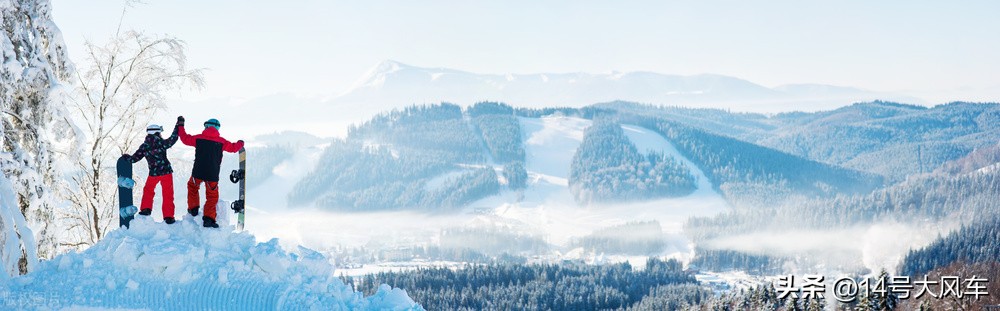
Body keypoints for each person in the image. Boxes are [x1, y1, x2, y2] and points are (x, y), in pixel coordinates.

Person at [177, 116, 244, 228]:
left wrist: (181, 125)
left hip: (198, 171)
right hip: (212, 174)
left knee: (192, 187)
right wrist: (241, 143)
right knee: (212, 197)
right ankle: (209, 219)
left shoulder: (198, 138)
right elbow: (233, 148)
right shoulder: (221, 142)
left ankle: (193, 209)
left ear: (206, 126)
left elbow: (184, 138)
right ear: (217, 129)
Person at [123, 123, 180, 224]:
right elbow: (173, 139)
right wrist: (178, 125)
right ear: (157, 133)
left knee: (148, 190)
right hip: (166, 171)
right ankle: (168, 217)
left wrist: (127, 157)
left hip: (153, 173)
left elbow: (134, 159)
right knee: (168, 194)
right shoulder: (162, 143)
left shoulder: (145, 146)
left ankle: (146, 209)